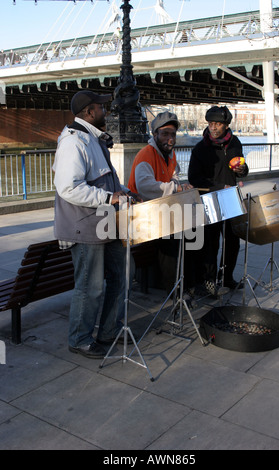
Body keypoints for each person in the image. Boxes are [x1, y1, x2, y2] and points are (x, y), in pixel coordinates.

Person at [53, 90, 140, 359]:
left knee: (124, 271)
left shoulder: (93, 139)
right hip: (85, 225)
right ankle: (79, 339)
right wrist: (108, 197)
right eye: (103, 107)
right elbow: (68, 187)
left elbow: (105, 180)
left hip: (105, 222)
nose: (108, 111)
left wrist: (123, 191)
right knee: (91, 286)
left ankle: (108, 330)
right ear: (90, 112)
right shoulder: (73, 142)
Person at [128, 111, 192, 294]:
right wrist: (175, 189)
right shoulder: (145, 155)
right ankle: (173, 289)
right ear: (154, 134)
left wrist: (181, 185)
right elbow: (145, 186)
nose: (170, 139)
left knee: (191, 233)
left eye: (172, 134)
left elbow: (173, 178)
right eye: (165, 134)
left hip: (157, 213)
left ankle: (187, 281)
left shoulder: (170, 155)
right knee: (171, 239)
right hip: (139, 216)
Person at [188, 105, 249, 296]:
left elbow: (242, 167)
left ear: (226, 125)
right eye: (211, 123)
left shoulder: (235, 142)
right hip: (210, 198)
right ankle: (209, 280)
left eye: (218, 124)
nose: (213, 127)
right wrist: (217, 187)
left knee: (233, 241)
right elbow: (194, 178)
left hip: (231, 197)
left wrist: (242, 171)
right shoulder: (200, 149)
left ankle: (227, 277)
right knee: (211, 242)